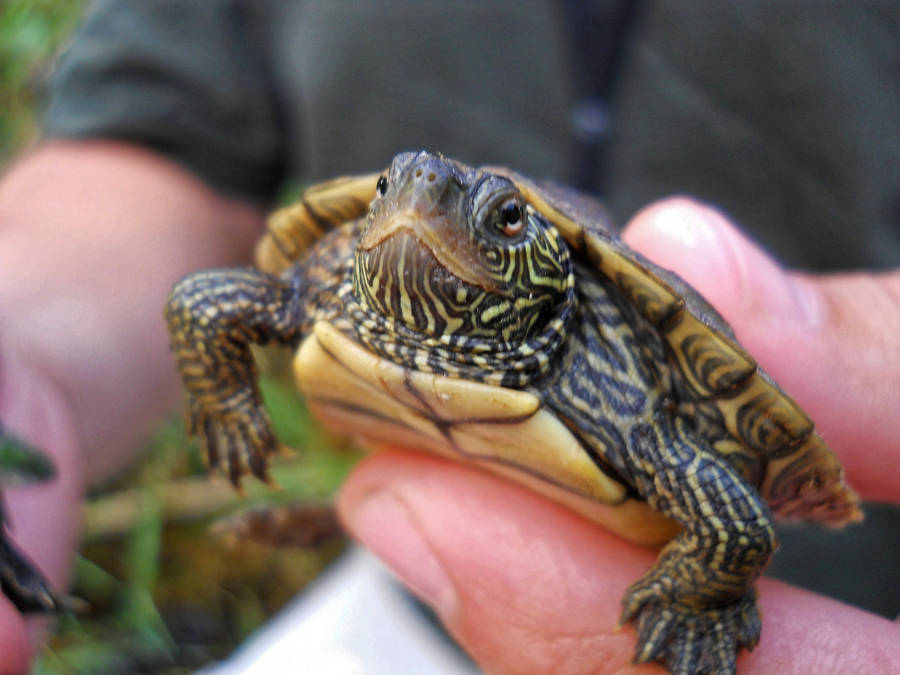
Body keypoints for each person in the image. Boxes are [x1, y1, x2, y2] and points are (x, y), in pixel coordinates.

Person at [1, 2, 897, 673]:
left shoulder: (610, 355)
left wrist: (700, 592)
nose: (417, 203)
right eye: (397, 189)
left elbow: (736, 521)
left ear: (544, 263)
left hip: (820, 613)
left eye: (501, 220)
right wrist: (27, 351)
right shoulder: (337, 276)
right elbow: (174, 199)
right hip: (401, 582)